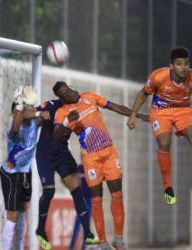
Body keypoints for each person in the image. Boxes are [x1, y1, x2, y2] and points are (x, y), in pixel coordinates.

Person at [52, 81, 148, 250]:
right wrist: (67, 123)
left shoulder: (90, 96)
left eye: (69, 90)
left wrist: (137, 114)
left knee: (117, 196)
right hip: (90, 158)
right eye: (65, 94)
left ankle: (119, 239)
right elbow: (56, 136)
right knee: (96, 201)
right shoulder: (62, 112)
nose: (70, 93)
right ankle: (103, 242)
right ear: (61, 98)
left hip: (109, 153)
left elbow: (115, 107)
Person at [127, 47, 192, 205]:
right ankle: (167, 186)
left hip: (183, 110)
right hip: (161, 111)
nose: (183, 67)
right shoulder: (158, 76)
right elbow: (143, 94)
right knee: (164, 143)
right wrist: (134, 114)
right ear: (171, 65)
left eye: (186, 64)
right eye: (179, 64)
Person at [35, 99, 100, 250]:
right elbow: (35, 113)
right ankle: (41, 230)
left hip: (63, 154)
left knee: (78, 195)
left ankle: (88, 237)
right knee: (49, 191)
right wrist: (38, 116)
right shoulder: (52, 106)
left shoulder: (77, 113)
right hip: (46, 154)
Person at [0, 86, 50, 250]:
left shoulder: (34, 122)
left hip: (25, 173)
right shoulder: (13, 125)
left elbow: (47, 116)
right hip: (11, 174)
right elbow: (15, 129)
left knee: (23, 211)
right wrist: (23, 109)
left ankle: (19, 247)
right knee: (12, 216)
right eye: (23, 108)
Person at [69, 164, 92, 250]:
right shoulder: (79, 168)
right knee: (77, 223)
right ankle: (72, 245)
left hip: (89, 199)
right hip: (81, 199)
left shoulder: (92, 166)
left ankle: (83, 246)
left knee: (85, 225)